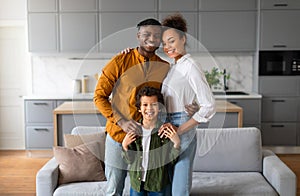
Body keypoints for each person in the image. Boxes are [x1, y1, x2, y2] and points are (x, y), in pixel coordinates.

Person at [94, 18, 197, 196]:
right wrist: (121, 122)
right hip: (119, 138)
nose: (152, 38)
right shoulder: (120, 61)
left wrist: (193, 106)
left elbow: (170, 97)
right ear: (138, 36)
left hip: (150, 142)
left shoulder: (164, 67)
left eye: (157, 35)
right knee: (113, 190)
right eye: (146, 34)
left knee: (148, 187)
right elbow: (99, 96)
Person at [158, 13, 216, 196]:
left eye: (172, 41)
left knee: (179, 188)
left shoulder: (191, 65)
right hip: (167, 125)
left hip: (180, 125)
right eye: (164, 43)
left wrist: (180, 129)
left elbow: (209, 105)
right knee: (166, 184)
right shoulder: (174, 66)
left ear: (183, 38)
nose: (167, 47)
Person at [122, 86, 180, 196]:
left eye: (154, 104)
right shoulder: (134, 130)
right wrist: (124, 145)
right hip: (137, 184)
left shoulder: (165, 131)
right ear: (139, 108)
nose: (149, 108)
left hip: (158, 184)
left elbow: (170, 161)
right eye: (145, 105)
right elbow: (129, 160)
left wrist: (176, 143)